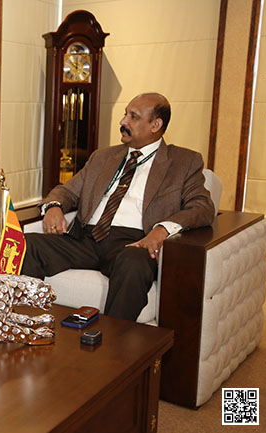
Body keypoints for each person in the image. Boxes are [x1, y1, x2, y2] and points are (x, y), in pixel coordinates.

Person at [21, 93, 215, 320]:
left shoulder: (184, 161)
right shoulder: (103, 156)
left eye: (133, 117)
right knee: (25, 245)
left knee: (134, 264)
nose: (123, 122)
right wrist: (54, 206)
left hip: (133, 243)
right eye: (125, 114)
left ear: (156, 125)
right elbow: (68, 190)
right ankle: (26, 323)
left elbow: (202, 207)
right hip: (84, 238)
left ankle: (112, 348)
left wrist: (162, 230)